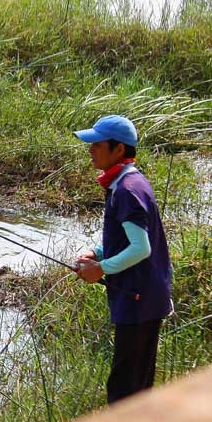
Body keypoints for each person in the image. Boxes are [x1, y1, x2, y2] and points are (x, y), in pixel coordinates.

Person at [73, 115, 173, 404]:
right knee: (136, 384)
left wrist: (100, 269)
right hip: (142, 296)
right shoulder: (128, 182)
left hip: (139, 299)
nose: (90, 150)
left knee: (125, 390)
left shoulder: (127, 190)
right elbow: (128, 238)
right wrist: (99, 252)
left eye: (97, 145)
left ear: (118, 150)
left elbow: (141, 248)